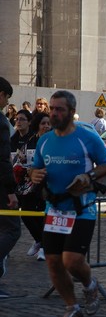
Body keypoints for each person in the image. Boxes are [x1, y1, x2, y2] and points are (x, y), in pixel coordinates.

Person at [30, 90, 106, 317]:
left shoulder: (87, 137)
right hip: (54, 209)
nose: (54, 113)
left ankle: (90, 285)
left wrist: (89, 176)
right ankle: (72, 307)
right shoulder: (44, 140)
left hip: (81, 209)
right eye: (52, 109)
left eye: (59, 109)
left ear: (71, 112)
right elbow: (34, 169)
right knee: (54, 263)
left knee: (72, 260)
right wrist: (34, 174)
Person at [11, 109, 46, 261]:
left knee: (34, 213)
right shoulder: (16, 139)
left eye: (22, 119)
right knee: (24, 214)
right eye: (17, 119)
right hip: (21, 182)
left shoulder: (40, 139)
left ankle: (44, 244)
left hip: (39, 183)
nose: (18, 122)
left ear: (30, 122)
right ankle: (40, 241)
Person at [0, 77, 21, 298]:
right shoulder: (0, 122)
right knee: (13, 229)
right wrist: (10, 190)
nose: (7, 103)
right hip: (0, 186)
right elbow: (3, 160)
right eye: (7, 97)